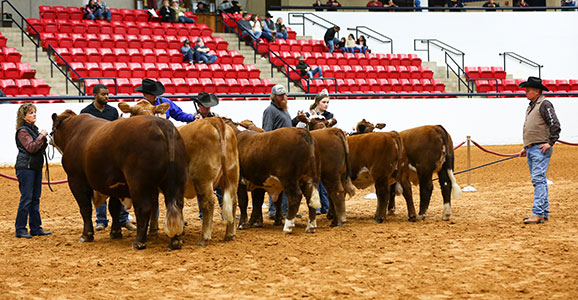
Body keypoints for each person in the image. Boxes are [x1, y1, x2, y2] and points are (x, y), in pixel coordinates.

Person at [80, 85, 137, 232]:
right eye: (103, 94)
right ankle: (101, 220)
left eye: (107, 94)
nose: (106, 96)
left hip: (111, 154)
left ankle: (122, 219)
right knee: (98, 187)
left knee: (119, 188)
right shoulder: (85, 113)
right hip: (96, 154)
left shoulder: (112, 111)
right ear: (95, 95)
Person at [518, 77, 561, 225]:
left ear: (537, 91)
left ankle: (538, 213)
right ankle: (543, 212)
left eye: (528, 90)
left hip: (540, 148)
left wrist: (550, 142)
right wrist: (527, 147)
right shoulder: (534, 105)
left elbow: (555, 124)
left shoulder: (544, 104)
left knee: (538, 180)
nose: (526, 92)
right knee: (539, 179)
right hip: (533, 148)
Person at [291, 89, 335, 214]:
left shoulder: (330, 116)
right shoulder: (307, 115)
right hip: (311, 149)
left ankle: (325, 206)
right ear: (317, 102)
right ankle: (318, 206)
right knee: (315, 178)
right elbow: (296, 125)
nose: (326, 105)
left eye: (327, 102)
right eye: (324, 102)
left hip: (324, 149)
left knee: (324, 178)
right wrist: (298, 116)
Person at [14, 103, 51, 239]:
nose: (34, 114)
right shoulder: (23, 131)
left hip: (34, 167)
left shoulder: (32, 130)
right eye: (30, 113)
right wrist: (41, 136)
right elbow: (31, 148)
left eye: (34, 112)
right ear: (24, 117)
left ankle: (36, 228)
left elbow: (37, 147)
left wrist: (44, 139)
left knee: (34, 198)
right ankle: (20, 228)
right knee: (27, 198)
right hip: (26, 168)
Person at [192, 92, 224, 219]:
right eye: (205, 106)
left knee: (220, 185)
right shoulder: (194, 119)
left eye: (208, 106)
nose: (207, 108)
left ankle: (223, 211)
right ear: (199, 106)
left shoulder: (215, 117)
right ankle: (202, 214)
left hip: (215, 153)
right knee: (202, 186)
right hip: (201, 155)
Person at [263, 85, 292, 219]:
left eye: (284, 95)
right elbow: (267, 132)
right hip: (276, 153)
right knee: (275, 184)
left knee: (286, 183)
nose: (283, 97)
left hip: (286, 152)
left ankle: (285, 210)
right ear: (274, 97)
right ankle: (274, 211)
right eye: (280, 95)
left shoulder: (284, 110)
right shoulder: (270, 111)